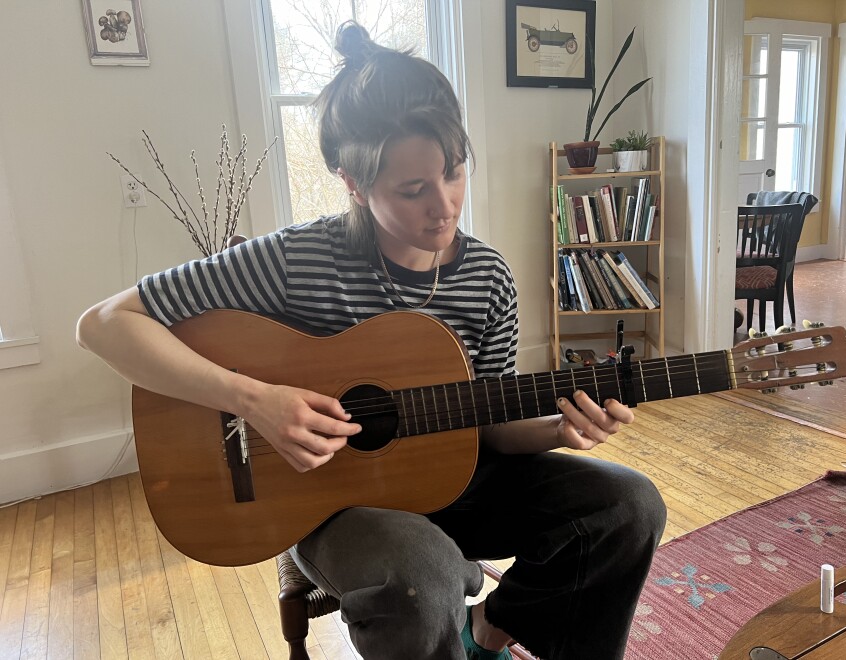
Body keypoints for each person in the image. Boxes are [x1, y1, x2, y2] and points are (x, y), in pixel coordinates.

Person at [77, 21, 666, 660]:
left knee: (630, 506)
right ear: (352, 183)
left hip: (459, 480)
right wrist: (254, 401)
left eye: (455, 173)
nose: (444, 206)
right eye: (412, 190)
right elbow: (104, 324)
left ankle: (493, 629)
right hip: (329, 502)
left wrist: (559, 428)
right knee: (422, 578)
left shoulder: (487, 276)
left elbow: (490, 423)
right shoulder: (296, 259)